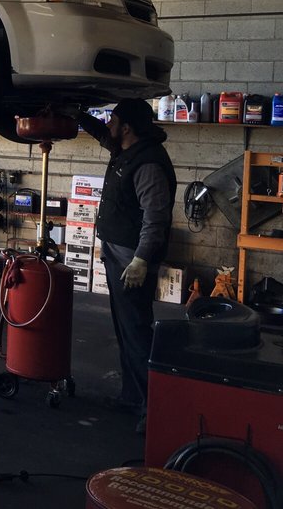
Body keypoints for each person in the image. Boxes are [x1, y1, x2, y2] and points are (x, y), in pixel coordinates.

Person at [77, 98, 176, 434]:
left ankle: (154, 409)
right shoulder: (127, 149)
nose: (109, 125)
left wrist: (141, 260)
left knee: (136, 331)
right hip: (118, 253)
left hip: (131, 260)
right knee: (125, 329)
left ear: (128, 128)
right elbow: (101, 133)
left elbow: (155, 218)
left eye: (113, 121)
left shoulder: (147, 164)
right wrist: (77, 114)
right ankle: (133, 397)